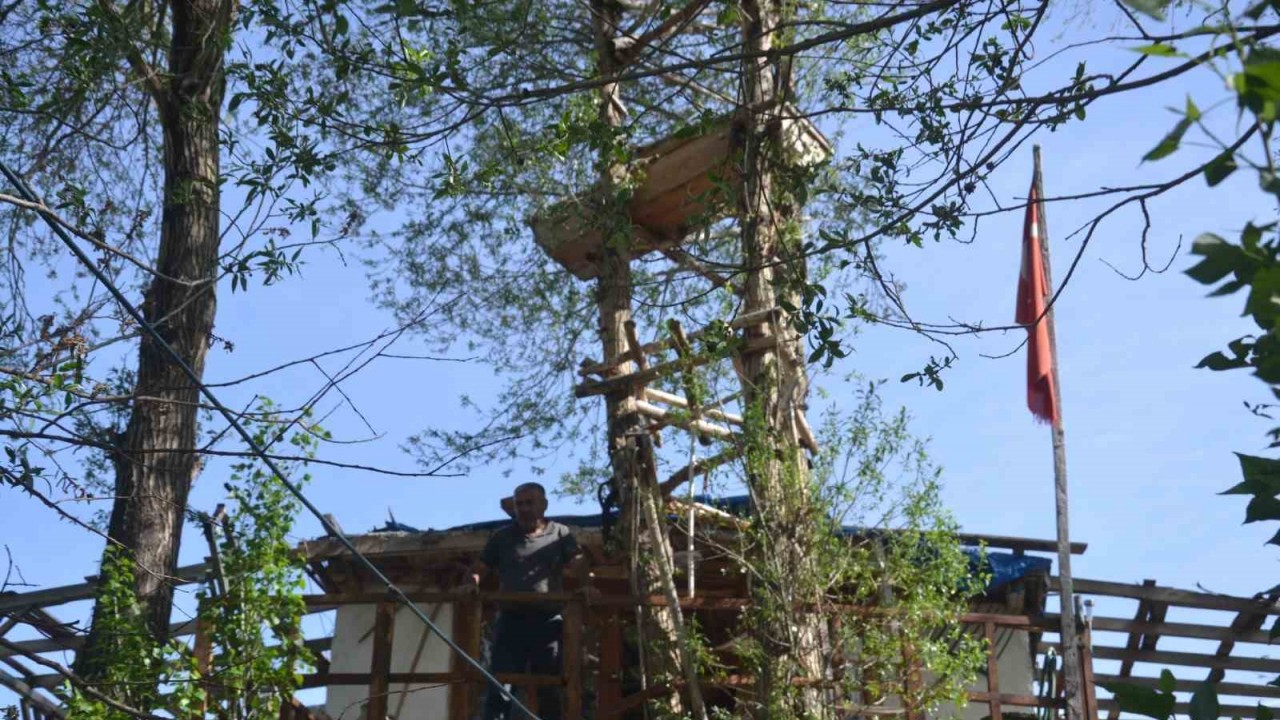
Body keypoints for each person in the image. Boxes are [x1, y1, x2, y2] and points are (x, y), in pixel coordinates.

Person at [467, 482, 589, 720]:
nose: (523, 508)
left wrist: (586, 586)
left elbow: (577, 561)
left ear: (543, 505)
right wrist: (471, 583)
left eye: (529, 502)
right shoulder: (502, 537)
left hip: (548, 622)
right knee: (500, 685)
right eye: (519, 504)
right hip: (511, 620)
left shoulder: (559, 533)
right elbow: (480, 567)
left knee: (550, 686)